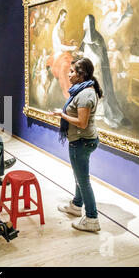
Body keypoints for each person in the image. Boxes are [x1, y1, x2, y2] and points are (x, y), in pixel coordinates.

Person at [48, 57, 102, 232]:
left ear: (81, 75)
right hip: (81, 140)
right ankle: (76, 206)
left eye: (71, 71)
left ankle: (92, 218)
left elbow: (82, 122)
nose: (68, 74)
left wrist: (61, 115)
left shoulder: (86, 93)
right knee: (79, 176)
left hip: (82, 141)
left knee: (83, 181)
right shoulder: (82, 90)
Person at [79, 14, 128, 129]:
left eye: (85, 22)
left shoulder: (97, 38)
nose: (83, 24)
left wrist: (90, 65)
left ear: (89, 24)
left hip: (96, 70)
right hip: (88, 70)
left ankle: (100, 112)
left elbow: (99, 57)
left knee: (97, 90)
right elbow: (84, 52)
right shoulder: (86, 37)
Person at [46, 9, 77, 99]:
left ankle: (74, 89)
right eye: (64, 17)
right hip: (58, 55)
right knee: (65, 67)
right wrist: (71, 48)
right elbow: (59, 46)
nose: (64, 19)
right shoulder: (56, 30)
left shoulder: (62, 29)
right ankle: (68, 94)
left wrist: (70, 43)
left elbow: (63, 42)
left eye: (65, 17)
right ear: (60, 16)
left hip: (64, 53)